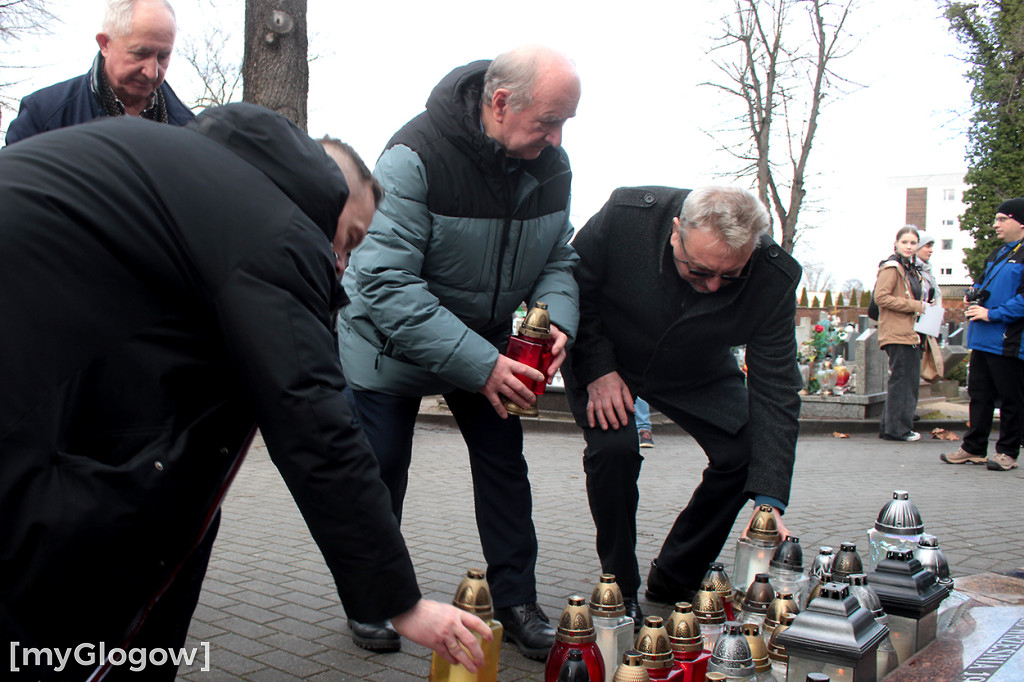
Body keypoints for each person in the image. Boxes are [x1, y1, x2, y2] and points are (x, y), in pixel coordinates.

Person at [0, 103, 491, 681]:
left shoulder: (180, 173)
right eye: (347, 237)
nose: (338, 265)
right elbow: (312, 415)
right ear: (323, 192)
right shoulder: (275, 227)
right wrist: (398, 599)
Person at [336, 45, 581, 659]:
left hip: (488, 343)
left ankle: (517, 601)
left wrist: (559, 321)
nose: (556, 139)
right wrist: (482, 362)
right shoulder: (412, 157)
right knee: (381, 469)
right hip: (389, 342)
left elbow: (558, 256)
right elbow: (385, 282)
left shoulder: (552, 164)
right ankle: (374, 599)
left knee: (503, 465)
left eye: (564, 124)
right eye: (548, 121)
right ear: (501, 104)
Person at [563, 185, 802, 627]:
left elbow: (777, 388)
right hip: (609, 355)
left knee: (746, 449)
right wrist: (597, 368)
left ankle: (676, 574)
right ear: (676, 232)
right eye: (698, 269)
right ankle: (620, 586)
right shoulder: (627, 215)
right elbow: (573, 286)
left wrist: (769, 501)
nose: (712, 286)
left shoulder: (773, 277)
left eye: (729, 277)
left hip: (695, 365)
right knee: (614, 450)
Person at [5, 0, 193, 145]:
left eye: (163, 57)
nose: (152, 72)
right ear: (105, 44)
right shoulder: (45, 115)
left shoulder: (191, 131)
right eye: (140, 54)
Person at [941, 199, 1024, 471]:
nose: (996, 225)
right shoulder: (998, 253)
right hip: (982, 338)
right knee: (979, 396)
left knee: (1011, 398)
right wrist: (972, 294)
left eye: (1002, 219)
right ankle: (974, 448)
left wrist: (992, 314)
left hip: (1008, 340)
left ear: (1020, 222)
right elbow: (981, 282)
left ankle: (1007, 452)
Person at [875, 225, 928, 442]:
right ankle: (898, 430)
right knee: (903, 381)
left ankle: (890, 428)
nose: (909, 246)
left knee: (904, 380)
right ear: (896, 243)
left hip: (909, 332)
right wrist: (915, 305)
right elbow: (881, 297)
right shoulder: (892, 268)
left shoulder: (911, 269)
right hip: (897, 332)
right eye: (905, 242)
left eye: (913, 243)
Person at [915, 232, 945, 382]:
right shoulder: (910, 270)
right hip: (911, 330)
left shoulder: (928, 272)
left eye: (932, 246)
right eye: (927, 246)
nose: (931, 250)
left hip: (925, 328)